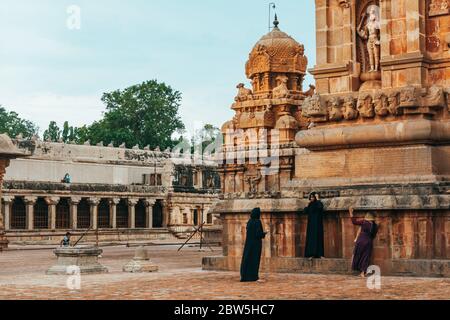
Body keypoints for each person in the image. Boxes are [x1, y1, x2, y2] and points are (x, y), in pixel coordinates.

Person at [349, 207, 378, 278]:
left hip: (361, 240)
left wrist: (351, 213)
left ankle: (359, 270)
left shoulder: (364, 222)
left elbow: (354, 222)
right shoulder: (375, 225)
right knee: (365, 257)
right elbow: (374, 235)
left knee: (358, 255)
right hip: (369, 241)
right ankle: (363, 272)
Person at [240, 208, 267, 282]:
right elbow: (258, 234)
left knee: (247, 258)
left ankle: (245, 275)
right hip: (256, 244)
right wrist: (264, 234)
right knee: (254, 260)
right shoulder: (257, 222)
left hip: (248, 244)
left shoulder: (249, 222)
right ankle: (253, 276)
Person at [304, 192, 324, 259]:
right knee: (311, 239)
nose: (311, 198)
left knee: (319, 238)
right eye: (311, 197)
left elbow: (320, 207)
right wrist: (307, 204)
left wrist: (318, 199)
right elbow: (305, 211)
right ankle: (311, 254)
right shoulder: (310, 204)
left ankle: (320, 254)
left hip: (318, 224)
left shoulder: (318, 203)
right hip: (311, 225)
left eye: (313, 197)